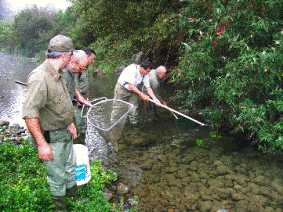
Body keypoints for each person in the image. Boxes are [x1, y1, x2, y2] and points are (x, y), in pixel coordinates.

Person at [22, 35, 78, 212]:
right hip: (52, 139)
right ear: (64, 56)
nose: (71, 59)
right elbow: (29, 113)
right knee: (57, 177)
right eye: (70, 56)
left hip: (65, 133)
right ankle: (61, 209)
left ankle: (73, 199)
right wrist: (41, 144)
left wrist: (70, 123)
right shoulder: (40, 77)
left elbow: (60, 103)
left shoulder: (59, 74)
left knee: (70, 168)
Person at [112, 60, 161, 126]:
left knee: (134, 109)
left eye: (149, 71)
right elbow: (130, 85)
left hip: (133, 91)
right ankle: (114, 124)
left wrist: (155, 99)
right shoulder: (132, 69)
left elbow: (148, 88)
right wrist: (142, 95)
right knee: (118, 109)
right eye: (147, 71)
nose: (148, 73)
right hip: (122, 89)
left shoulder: (145, 74)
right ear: (142, 68)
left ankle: (134, 125)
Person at [62, 50, 93, 145]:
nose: (81, 71)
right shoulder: (63, 73)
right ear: (72, 62)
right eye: (80, 68)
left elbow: (73, 87)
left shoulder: (71, 72)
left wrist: (79, 97)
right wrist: (69, 123)